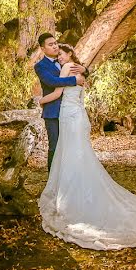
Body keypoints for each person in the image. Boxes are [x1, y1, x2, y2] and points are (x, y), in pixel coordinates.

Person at [37, 42, 136, 250]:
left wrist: (39, 101)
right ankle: (75, 189)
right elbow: (76, 84)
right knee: (78, 154)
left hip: (69, 116)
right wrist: (82, 72)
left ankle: (71, 197)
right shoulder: (80, 72)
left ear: (69, 54)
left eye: (61, 55)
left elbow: (58, 93)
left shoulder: (68, 68)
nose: (59, 58)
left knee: (71, 154)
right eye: (57, 56)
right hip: (79, 116)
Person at [32, 33, 86, 172]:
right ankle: (53, 181)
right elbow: (52, 81)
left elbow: (79, 71)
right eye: (50, 45)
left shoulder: (63, 59)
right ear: (42, 48)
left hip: (69, 110)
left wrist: (86, 70)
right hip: (53, 111)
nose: (55, 46)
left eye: (55, 43)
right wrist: (74, 81)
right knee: (55, 146)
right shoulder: (40, 66)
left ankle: (69, 179)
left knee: (69, 147)